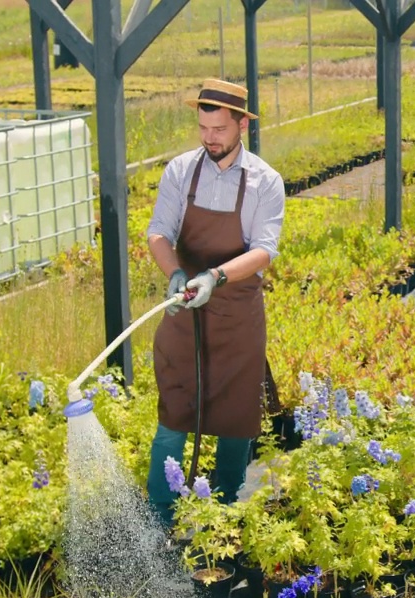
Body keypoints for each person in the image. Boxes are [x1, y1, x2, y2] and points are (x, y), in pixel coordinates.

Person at [144, 79, 286, 529]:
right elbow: (158, 232)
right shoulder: (181, 171)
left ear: (242, 124)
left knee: (235, 416)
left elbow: (264, 249)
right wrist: (178, 275)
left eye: (220, 128)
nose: (210, 138)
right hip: (184, 312)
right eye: (204, 127)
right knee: (173, 413)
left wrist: (216, 276)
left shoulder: (265, 181)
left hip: (237, 315)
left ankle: (222, 516)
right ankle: (161, 514)